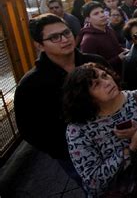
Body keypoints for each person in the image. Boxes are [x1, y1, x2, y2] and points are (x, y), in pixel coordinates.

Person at [14, 13, 108, 188]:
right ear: (39, 45)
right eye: (54, 37)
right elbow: (29, 129)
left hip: (114, 138)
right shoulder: (30, 85)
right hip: (73, 154)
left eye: (66, 33)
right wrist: (61, 150)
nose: (64, 39)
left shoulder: (95, 62)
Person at [63, 63, 137, 197]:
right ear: (84, 96)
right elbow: (93, 180)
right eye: (96, 84)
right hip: (119, 191)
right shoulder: (78, 130)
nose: (107, 82)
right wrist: (131, 149)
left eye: (105, 75)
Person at [77, 1, 128, 74]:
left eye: (102, 12)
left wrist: (123, 50)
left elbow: (115, 46)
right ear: (88, 19)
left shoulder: (108, 29)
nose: (102, 15)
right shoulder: (88, 40)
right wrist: (118, 58)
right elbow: (92, 67)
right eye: (96, 14)